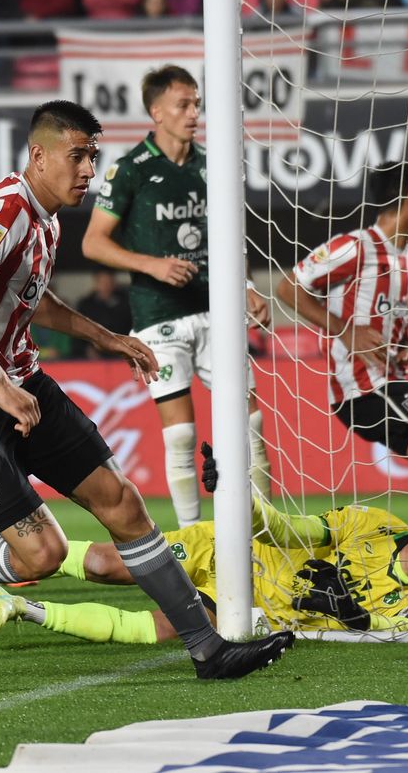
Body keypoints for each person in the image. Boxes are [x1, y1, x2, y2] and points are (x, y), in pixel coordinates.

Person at [0, 100, 295, 679]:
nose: (89, 170)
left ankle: (206, 649)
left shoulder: (47, 218)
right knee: (43, 555)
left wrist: (108, 337)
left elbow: (33, 303)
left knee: (123, 503)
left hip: (21, 381)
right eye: (77, 156)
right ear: (39, 156)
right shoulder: (5, 212)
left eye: (94, 156)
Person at [0, 442, 408, 643]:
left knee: (158, 631)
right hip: (230, 552)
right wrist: (236, 491)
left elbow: (386, 629)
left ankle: (24, 605)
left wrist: (355, 617)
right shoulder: (374, 524)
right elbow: (285, 530)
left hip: (250, 610)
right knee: (106, 565)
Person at [83, 65, 272, 528]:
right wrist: (152, 264)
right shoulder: (130, 171)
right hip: (157, 317)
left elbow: (231, 237)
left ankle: (266, 532)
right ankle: (194, 539)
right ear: (156, 112)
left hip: (216, 311)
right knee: (182, 436)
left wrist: (247, 287)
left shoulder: (214, 165)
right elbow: (93, 242)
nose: (194, 112)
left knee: (252, 425)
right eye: (183, 105)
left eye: (196, 104)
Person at [276, 162, 408, 512]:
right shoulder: (354, 247)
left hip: (395, 380)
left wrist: (406, 350)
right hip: (363, 390)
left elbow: (389, 325)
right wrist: (345, 330)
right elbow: (288, 287)